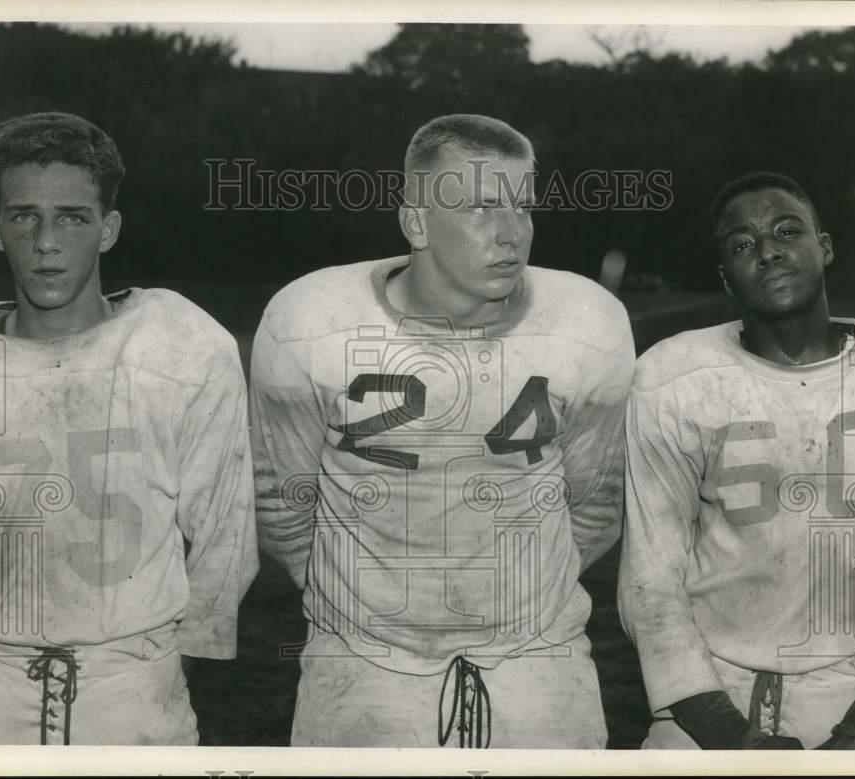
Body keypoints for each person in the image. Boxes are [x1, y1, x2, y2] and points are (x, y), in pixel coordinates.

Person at [250, 113, 635, 748]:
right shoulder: (309, 321)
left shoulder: (588, 323)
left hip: (537, 659)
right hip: (362, 664)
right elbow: (282, 502)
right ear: (417, 222)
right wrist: (368, 609)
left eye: (523, 207)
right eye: (482, 208)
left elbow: (595, 501)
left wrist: (510, 607)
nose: (511, 233)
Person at [0, 111, 259, 745]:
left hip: (132, 687)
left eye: (72, 217)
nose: (46, 242)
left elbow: (225, 535)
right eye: (23, 215)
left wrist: (161, 666)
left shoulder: (180, 345)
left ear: (108, 228)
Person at [618, 171, 855, 750]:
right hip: (710, 685)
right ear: (726, 277)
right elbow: (651, 575)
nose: (768, 251)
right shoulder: (676, 377)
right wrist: (729, 736)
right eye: (742, 245)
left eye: (786, 231)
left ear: (824, 247)